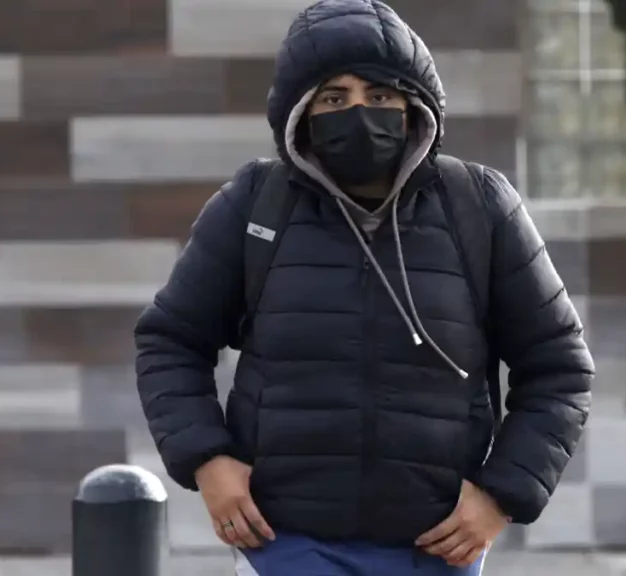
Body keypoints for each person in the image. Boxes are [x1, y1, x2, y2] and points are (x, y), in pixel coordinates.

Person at [134, 0, 594, 574]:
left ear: (412, 106)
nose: (358, 112)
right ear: (301, 113)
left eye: (379, 96)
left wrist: (501, 497)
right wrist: (208, 462)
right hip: (285, 543)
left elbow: (559, 367)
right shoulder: (256, 205)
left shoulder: (479, 207)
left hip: (438, 547)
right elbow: (170, 341)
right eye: (334, 98)